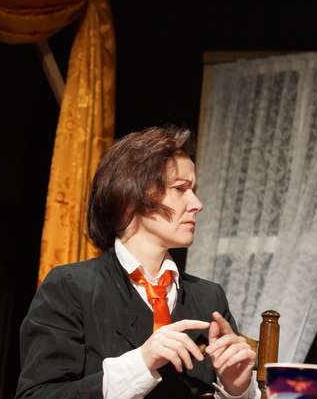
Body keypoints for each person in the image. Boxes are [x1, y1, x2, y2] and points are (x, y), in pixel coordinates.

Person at [16, 127, 259, 399]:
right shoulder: (71, 288)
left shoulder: (209, 298)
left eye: (193, 190)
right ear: (131, 195)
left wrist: (237, 389)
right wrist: (142, 362)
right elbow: (36, 395)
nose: (197, 204)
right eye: (180, 188)